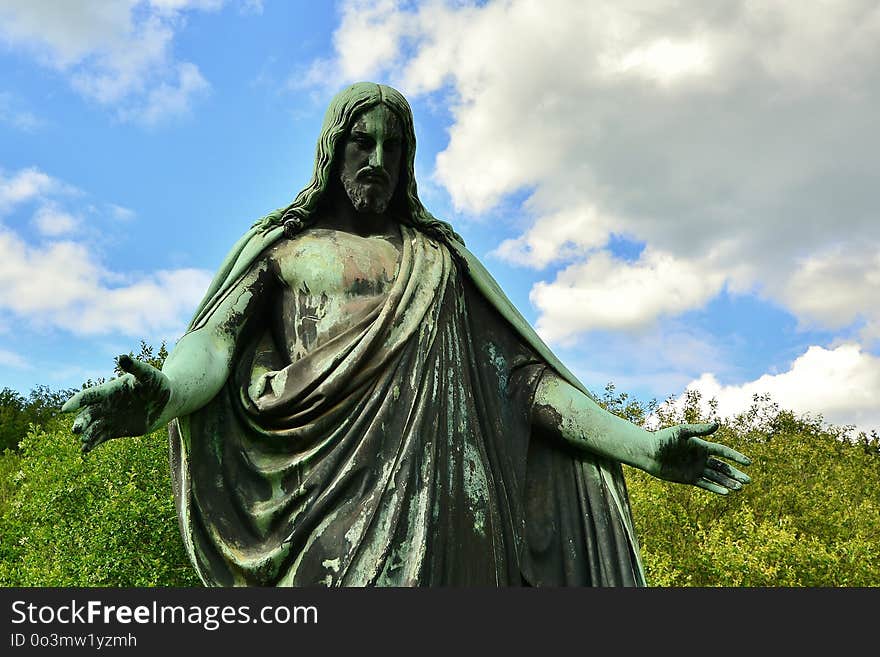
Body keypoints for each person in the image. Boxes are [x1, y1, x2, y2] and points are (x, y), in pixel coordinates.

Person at [63, 82, 750, 587]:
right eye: (363, 141)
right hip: (326, 506)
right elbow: (213, 343)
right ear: (334, 150)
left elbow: (528, 385)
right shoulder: (285, 248)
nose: (378, 158)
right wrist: (157, 398)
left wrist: (645, 448)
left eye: (394, 145)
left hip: (454, 510)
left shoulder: (442, 262)